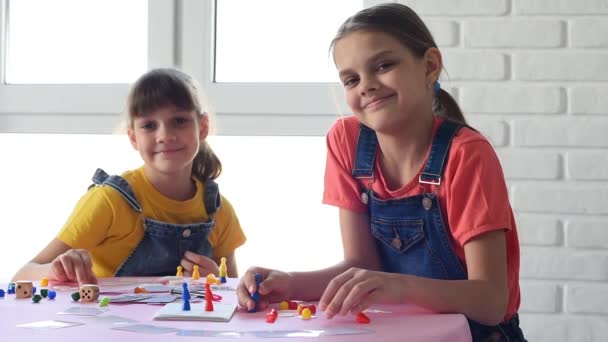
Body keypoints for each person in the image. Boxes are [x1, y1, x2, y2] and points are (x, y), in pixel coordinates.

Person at [237, 4, 525, 341]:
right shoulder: (346, 141)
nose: (366, 86)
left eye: (384, 65)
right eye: (351, 79)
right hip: (398, 332)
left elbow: (490, 300)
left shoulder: (466, 155)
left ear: (429, 66)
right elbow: (363, 264)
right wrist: (289, 282)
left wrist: (398, 286)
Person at [12, 68, 246, 285]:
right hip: (108, 328)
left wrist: (217, 281)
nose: (165, 135)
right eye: (149, 125)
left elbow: (236, 294)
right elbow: (21, 276)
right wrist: (56, 270)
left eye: (179, 121)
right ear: (133, 137)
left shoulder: (218, 210)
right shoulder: (110, 202)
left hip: (187, 329)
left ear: (203, 127)